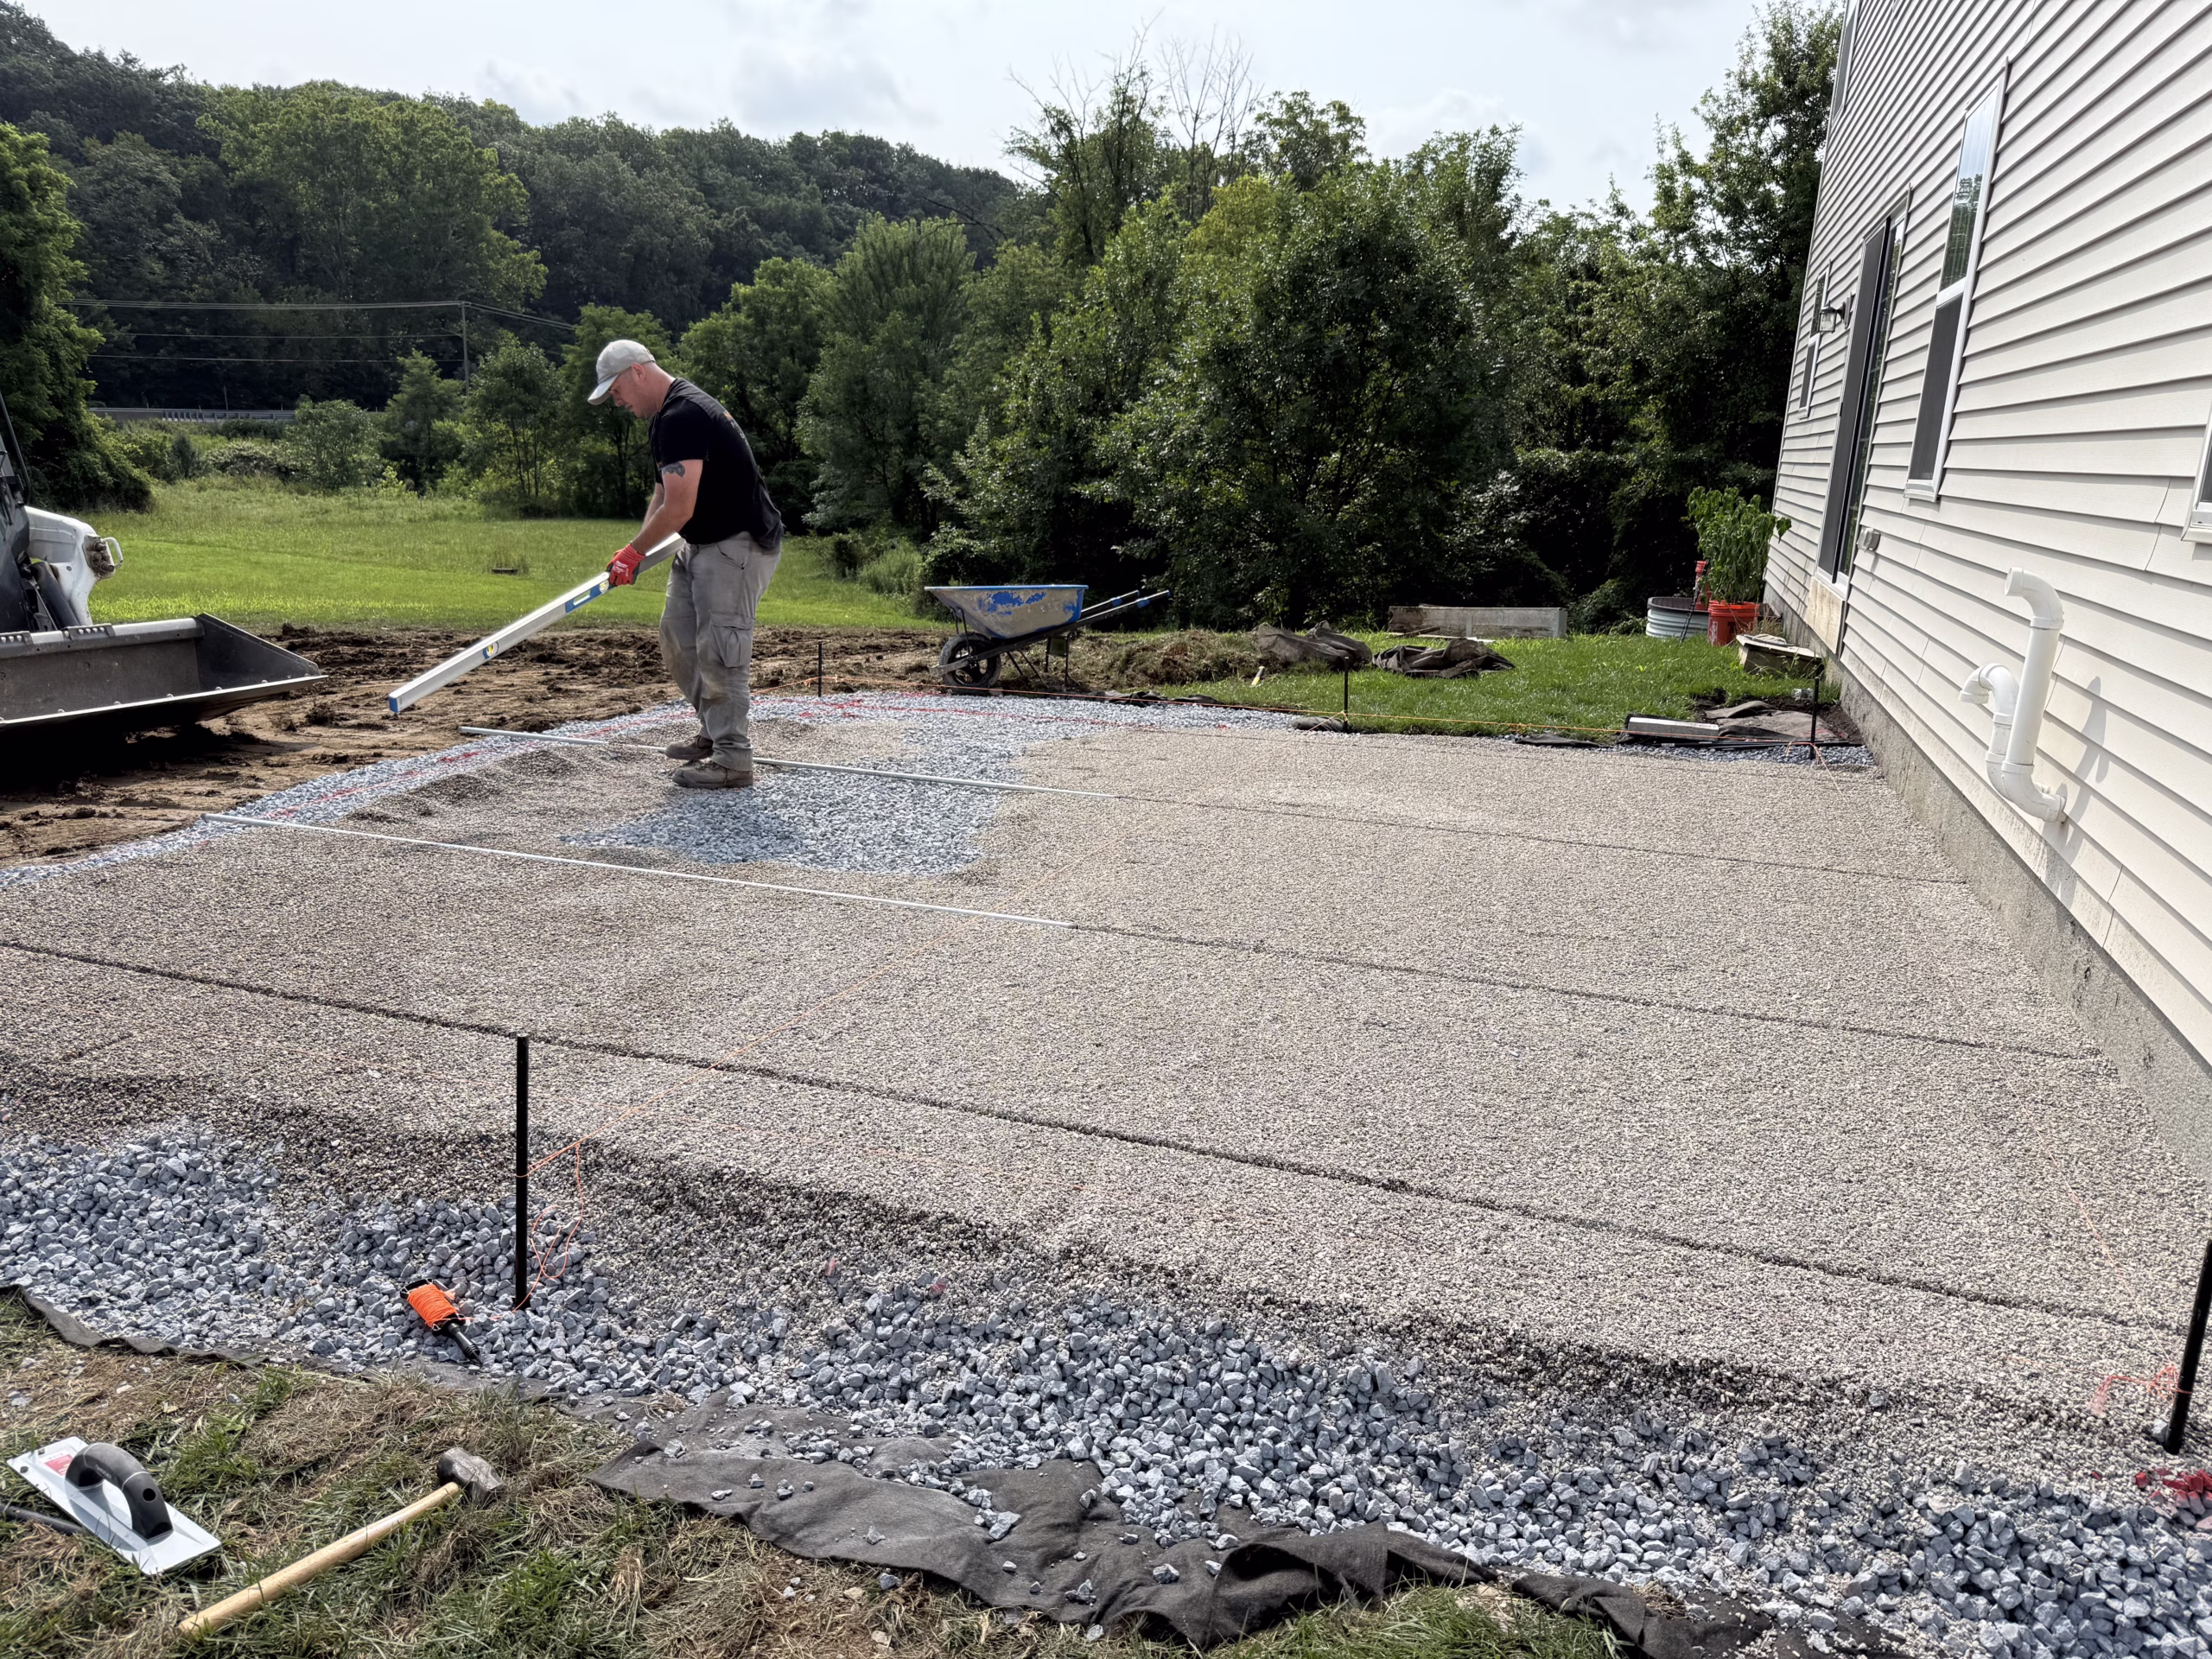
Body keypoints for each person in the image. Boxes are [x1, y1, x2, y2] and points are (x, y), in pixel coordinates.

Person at [591, 338, 784, 789]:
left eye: (615, 390)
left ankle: (733, 759)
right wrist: (634, 549)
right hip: (699, 542)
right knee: (678, 638)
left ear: (638, 372)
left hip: (736, 545)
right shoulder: (664, 417)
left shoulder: (684, 415)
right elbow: (662, 494)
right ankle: (715, 734)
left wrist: (635, 552)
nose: (615, 401)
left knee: (720, 652)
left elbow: (679, 507)